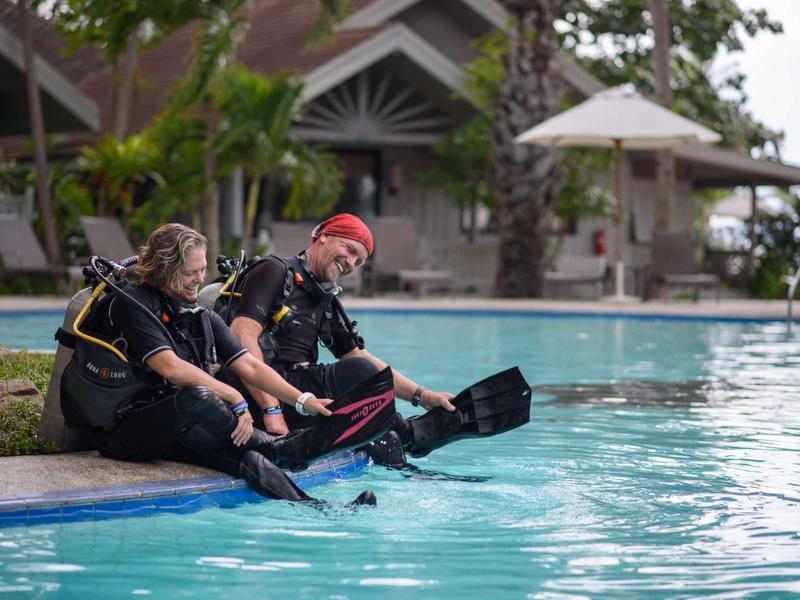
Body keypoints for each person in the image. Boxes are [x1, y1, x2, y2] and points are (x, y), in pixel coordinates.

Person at [59, 223, 392, 507]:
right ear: (165, 269)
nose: (199, 279)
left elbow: (250, 366)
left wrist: (303, 400)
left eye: (202, 270)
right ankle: (283, 448)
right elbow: (171, 368)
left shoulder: (197, 313)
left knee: (248, 458)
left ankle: (320, 509)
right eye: (190, 273)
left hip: (178, 423)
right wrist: (235, 398)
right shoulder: (132, 305)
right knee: (199, 395)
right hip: (125, 431)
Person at [216, 214, 519, 470]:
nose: (350, 263)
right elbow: (242, 337)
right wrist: (272, 410)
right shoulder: (275, 270)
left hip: (299, 397)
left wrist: (423, 395)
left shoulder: (322, 294)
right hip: (256, 393)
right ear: (323, 237)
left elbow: (358, 356)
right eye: (348, 250)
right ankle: (411, 435)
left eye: (358, 261)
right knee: (359, 374)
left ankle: (406, 453)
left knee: (371, 411)